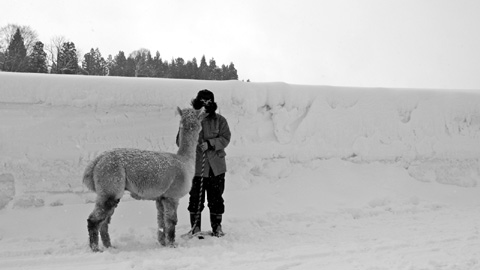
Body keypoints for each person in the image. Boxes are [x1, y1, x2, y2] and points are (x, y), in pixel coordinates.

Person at [178, 89, 231, 237]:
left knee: (216, 199)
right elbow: (179, 141)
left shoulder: (220, 120)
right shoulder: (189, 119)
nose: (205, 105)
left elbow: (225, 138)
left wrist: (210, 143)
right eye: (203, 101)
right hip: (196, 168)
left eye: (208, 102)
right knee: (195, 199)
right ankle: (195, 228)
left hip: (216, 168)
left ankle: (217, 228)